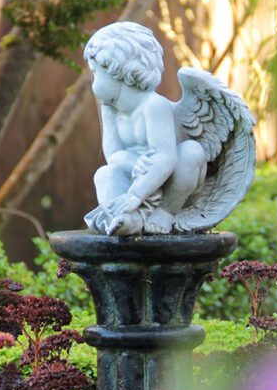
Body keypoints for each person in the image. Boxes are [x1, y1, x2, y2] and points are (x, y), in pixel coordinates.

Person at [82, 22, 207, 235]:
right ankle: (125, 218)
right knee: (104, 174)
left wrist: (136, 195)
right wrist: (134, 164)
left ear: (119, 70)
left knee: (192, 151)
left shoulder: (154, 106)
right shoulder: (110, 109)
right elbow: (113, 154)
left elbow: (165, 158)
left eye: (95, 72)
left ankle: (166, 212)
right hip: (133, 179)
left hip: (168, 181)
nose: (92, 81)